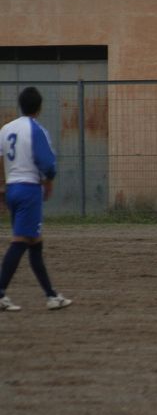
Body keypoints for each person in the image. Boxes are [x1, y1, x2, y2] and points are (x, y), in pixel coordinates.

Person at [0, 87, 71, 311]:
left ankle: (51, 295)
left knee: (34, 242)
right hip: (29, 189)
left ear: (20, 105)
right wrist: (49, 180)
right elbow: (47, 162)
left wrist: (2, 187)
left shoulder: (6, 129)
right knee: (20, 241)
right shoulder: (36, 130)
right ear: (39, 108)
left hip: (12, 188)